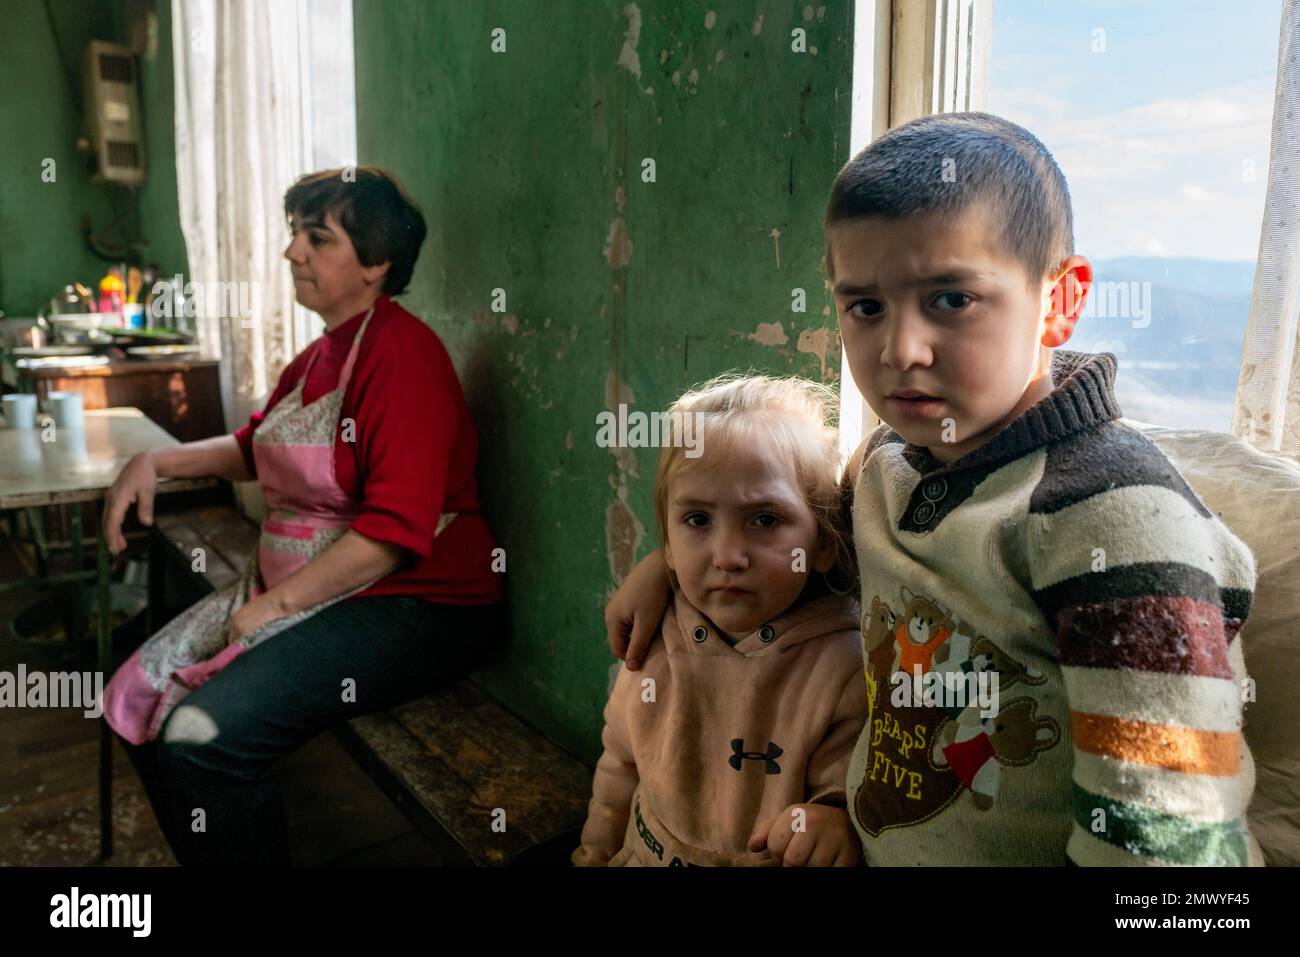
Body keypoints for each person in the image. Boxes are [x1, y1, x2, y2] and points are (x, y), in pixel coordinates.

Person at [606, 113, 1260, 866]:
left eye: (950, 299)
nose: (900, 350)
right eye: (866, 306)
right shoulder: (891, 461)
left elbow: (1166, 845)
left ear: (1061, 300)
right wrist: (661, 570)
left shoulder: (1117, 522)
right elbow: (793, 548)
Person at [100, 167, 504, 866]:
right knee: (133, 686)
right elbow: (256, 447)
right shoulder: (320, 357)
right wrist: (154, 464)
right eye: (295, 234)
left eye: (317, 238)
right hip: (322, 581)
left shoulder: (403, 356)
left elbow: (390, 535)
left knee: (206, 738)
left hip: (420, 602)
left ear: (376, 263)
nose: (293, 252)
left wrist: (274, 605)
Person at [572, 375, 866, 867]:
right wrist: (597, 847)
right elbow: (621, 761)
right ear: (666, 542)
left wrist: (832, 822)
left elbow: (846, 795)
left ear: (823, 544)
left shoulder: (841, 671)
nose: (728, 556)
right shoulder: (654, 636)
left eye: (766, 520)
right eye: (698, 520)